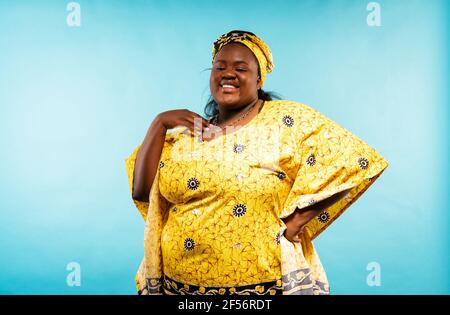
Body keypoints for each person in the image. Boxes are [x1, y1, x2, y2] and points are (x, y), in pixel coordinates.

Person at [125, 30, 388, 295]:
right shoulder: (188, 134)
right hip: (179, 288)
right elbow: (141, 191)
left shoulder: (285, 121)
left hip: (262, 286)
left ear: (259, 79)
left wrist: (298, 221)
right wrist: (159, 123)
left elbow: (352, 159)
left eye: (241, 68)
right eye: (220, 67)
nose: (228, 73)